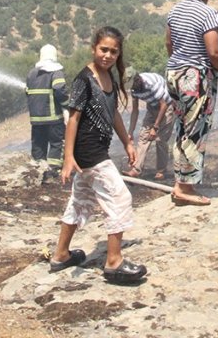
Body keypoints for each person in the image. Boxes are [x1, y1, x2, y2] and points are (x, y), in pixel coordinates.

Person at [48, 27, 148, 286]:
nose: (108, 55)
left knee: (80, 200)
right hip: (89, 151)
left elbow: (113, 113)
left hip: (95, 150)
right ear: (94, 48)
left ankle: (61, 254)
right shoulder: (84, 79)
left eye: (114, 51)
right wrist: (68, 156)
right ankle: (114, 262)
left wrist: (127, 141)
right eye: (104, 49)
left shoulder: (108, 78)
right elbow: (74, 118)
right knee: (120, 197)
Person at [164, 0, 218, 206]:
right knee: (195, 130)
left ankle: (180, 181)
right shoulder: (208, 14)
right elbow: (213, 51)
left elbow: (169, 44)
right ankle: (185, 188)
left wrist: (179, 63)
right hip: (196, 77)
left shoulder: (175, 10)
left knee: (182, 127)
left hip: (174, 73)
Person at [24, 43, 67, 181]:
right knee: (56, 143)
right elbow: (60, 89)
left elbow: (27, 92)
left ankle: (38, 171)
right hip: (54, 118)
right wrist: (67, 104)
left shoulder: (31, 73)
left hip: (36, 119)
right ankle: (53, 172)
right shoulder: (56, 72)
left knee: (38, 144)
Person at [124, 72, 173, 180]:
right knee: (143, 137)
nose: (132, 88)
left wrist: (155, 128)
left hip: (167, 106)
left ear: (137, 80)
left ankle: (161, 170)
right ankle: (136, 170)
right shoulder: (134, 90)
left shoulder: (150, 84)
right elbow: (135, 110)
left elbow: (164, 105)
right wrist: (130, 133)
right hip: (152, 106)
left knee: (160, 139)